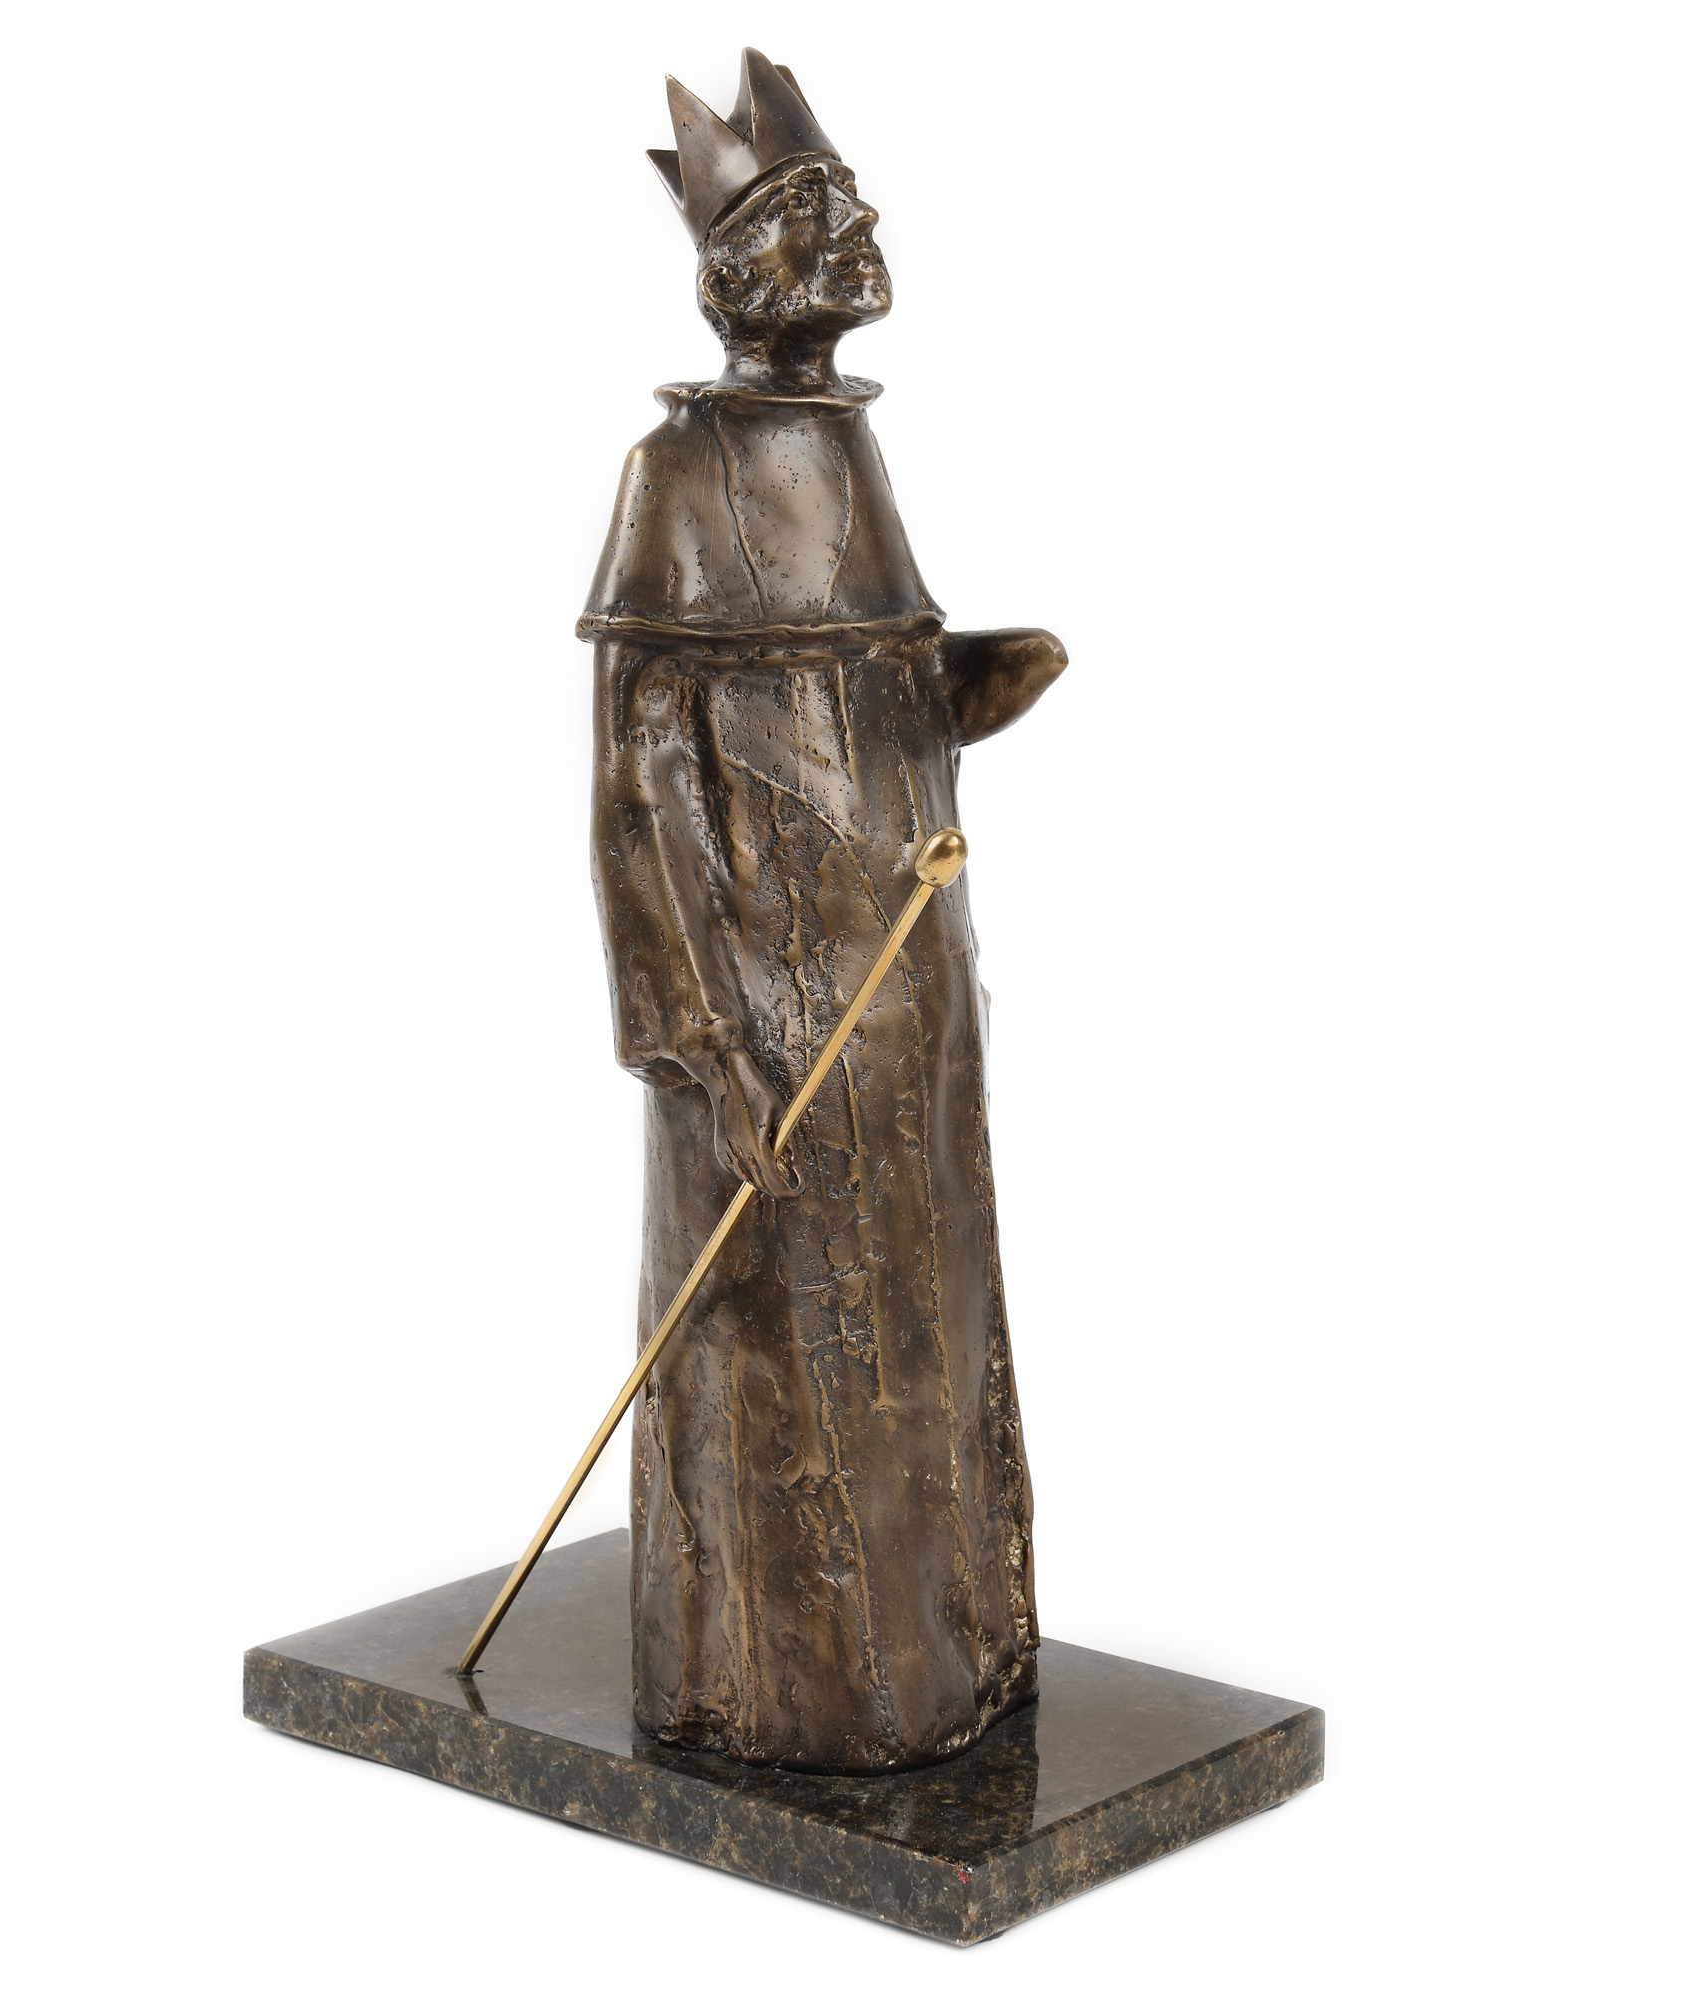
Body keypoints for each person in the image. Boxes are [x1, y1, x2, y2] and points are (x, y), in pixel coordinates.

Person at [582, 49, 1066, 1771]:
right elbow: (644, 774)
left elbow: (848, 694)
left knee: (923, 1293)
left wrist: (962, 685)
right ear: (732, 275)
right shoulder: (679, 473)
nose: (855, 236)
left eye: (851, 207)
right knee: (791, 1317)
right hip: (772, 985)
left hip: (901, 957)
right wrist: (694, 1033)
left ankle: (949, 1653)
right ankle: (792, 1692)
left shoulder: (849, 450)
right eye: (810, 217)